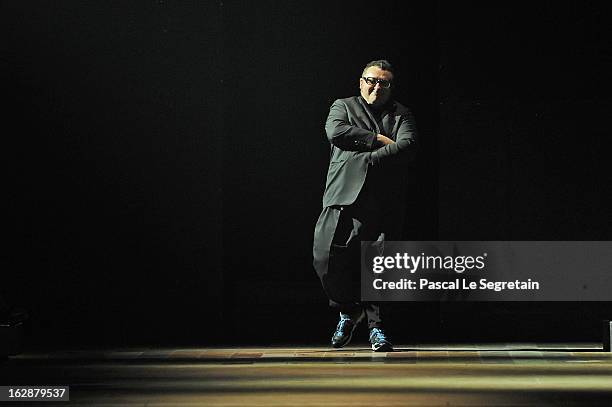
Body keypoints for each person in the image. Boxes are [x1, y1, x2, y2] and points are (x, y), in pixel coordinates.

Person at [313, 60, 417, 352]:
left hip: (383, 202)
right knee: (324, 259)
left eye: (383, 83)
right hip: (342, 197)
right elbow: (336, 132)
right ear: (361, 82)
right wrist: (379, 140)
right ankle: (348, 310)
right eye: (371, 80)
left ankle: (377, 328)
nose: (376, 87)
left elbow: (408, 146)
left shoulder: (401, 114)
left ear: (389, 87)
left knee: (380, 265)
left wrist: (366, 156)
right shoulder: (343, 107)